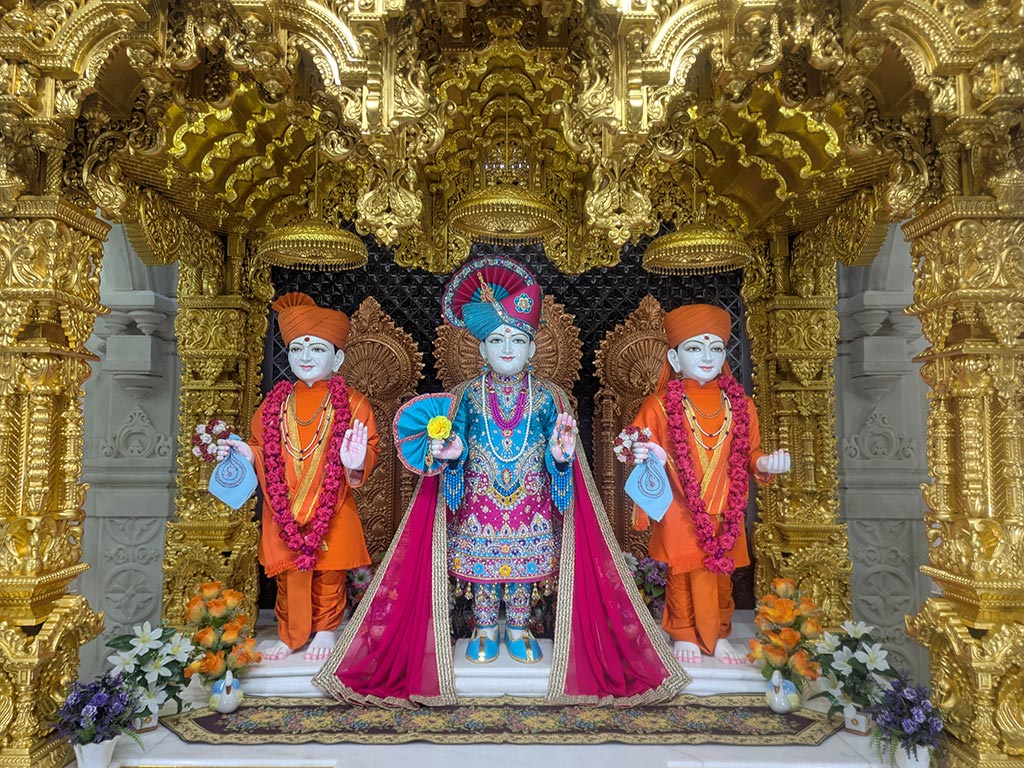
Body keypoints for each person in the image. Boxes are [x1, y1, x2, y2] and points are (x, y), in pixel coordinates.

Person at [314, 257, 688, 706]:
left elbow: (560, 451)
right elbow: (450, 444)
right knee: (484, 573)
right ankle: (485, 627)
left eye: (517, 339)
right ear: (481, 349)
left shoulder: (550, 396)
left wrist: (560, 457)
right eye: (496, 340)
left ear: (532, 349)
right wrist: (452, 453)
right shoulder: (464, 396)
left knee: (524, 572)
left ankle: (520, 627)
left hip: (531, 502)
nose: (507, 348)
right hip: (478, 501)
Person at [216, 292, 379, 662]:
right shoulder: (273, 404)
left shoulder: (354, 403)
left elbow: (370, 448)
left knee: (329, 575)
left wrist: (357, 462)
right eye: (297, 349)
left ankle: (326, 629)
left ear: (337, 358)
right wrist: (247, 453)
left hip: (331, 506)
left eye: (317, 349)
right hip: (284, 507)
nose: (306, 357)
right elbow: (260, 444)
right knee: (287, 575)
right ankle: (290, 634)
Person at [629, 303, 790, 666]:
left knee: (721, 574)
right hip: (679, 506)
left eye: (715, 348)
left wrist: (765, 463)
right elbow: (633, 445)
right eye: (694, 348)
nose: (706, 357)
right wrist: (642, 451)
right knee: (682, 572)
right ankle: (684, 632)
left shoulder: (742, 405)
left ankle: (719, 633)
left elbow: (751, 453)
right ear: (674, 357)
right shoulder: (658, 405)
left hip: (725, 507)